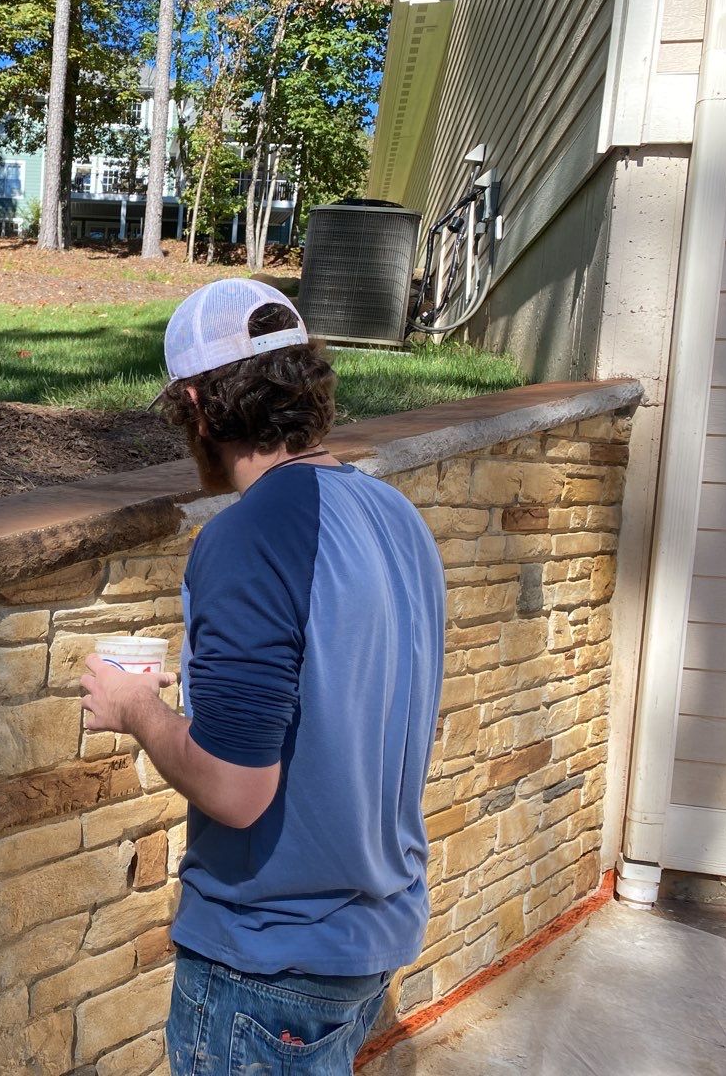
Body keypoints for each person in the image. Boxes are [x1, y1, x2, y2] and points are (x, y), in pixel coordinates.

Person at [80, 278, 446, 1075]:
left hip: (267, 968)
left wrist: (136, 709)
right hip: (369, 940)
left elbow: (236, 791)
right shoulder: (398, 518)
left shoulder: (248, 539)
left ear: (198, 408)